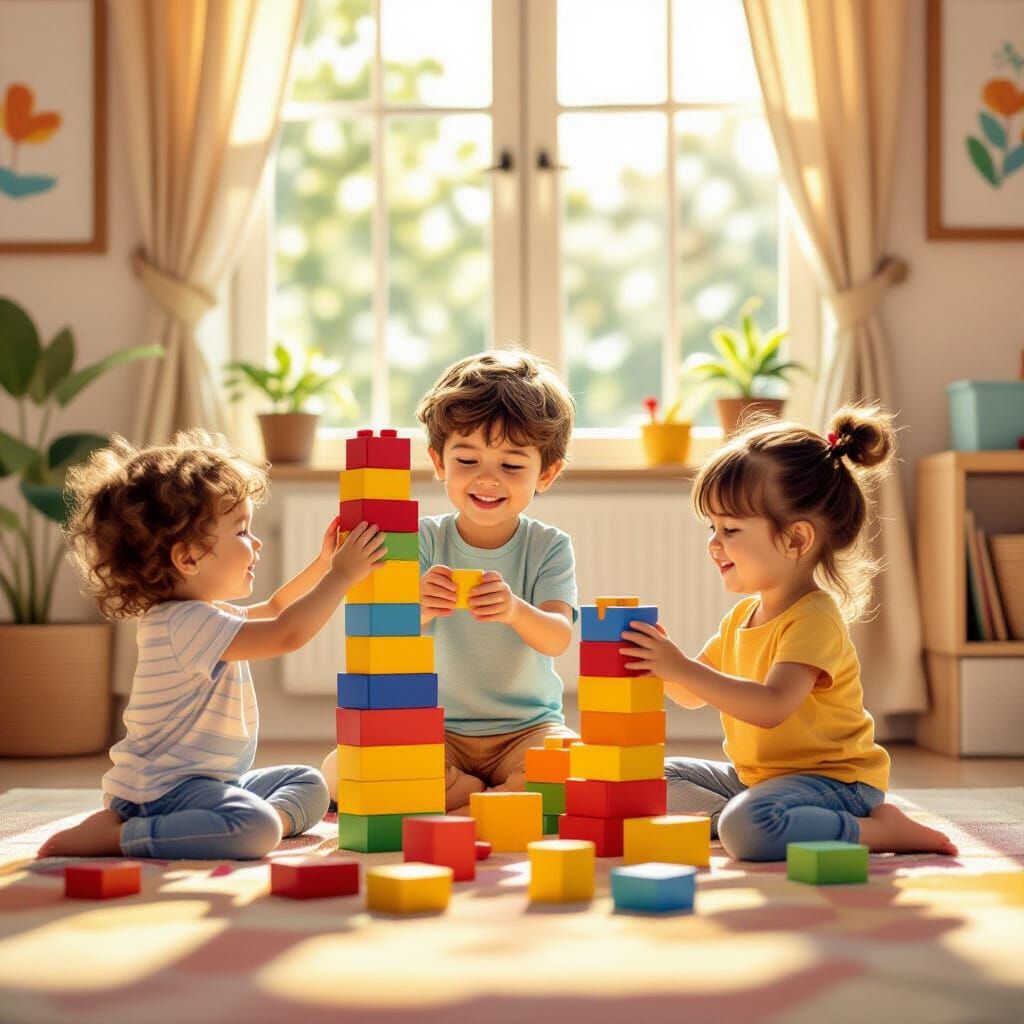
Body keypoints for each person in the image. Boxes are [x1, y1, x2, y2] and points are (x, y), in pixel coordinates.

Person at [620, 406, 958, 862]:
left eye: (731, 529)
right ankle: (751, 820)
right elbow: (692, 693)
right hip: (760, 779)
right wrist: (655, 664)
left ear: (796, 540)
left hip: (836, 783)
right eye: (712, 527)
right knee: (641, 776)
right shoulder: (742, 616)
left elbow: (771, 707)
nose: (713, 543)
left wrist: (679, 666)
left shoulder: (814, 617)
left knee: (747, 827)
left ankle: (873, 831)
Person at [38, 430, 385, 860]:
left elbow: (278, 607)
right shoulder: (184, 623)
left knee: (309, 782)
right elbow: (287, 633)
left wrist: (323, 565)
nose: (256, 544)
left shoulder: (201, 614)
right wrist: (342, 576)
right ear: (187, 558)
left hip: (214, 783)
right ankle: (123, 835)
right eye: (242, 531)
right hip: (160, 792)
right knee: (254, 827)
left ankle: (252, 823)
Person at [322, 350, 579, 813]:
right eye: (467, 459)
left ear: (548, 473)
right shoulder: (419, 540)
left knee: (578, 766)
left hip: (528, 730)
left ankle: (469, 799)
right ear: (439, 462)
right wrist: (416, 608)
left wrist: (515, 610)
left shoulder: (549, 546)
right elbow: (385, 638)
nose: (487, 479)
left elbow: (558, 638)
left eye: (512, 465)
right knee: (339, 771)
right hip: (433, 730)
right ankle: (477, 798)